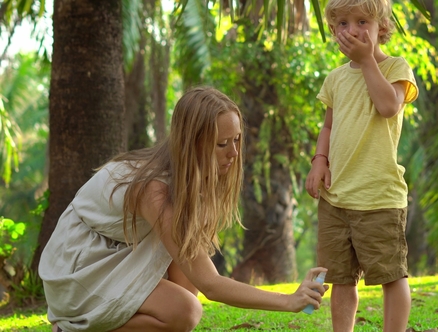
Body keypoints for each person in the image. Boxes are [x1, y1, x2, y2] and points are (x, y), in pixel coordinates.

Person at [39, 86, 328, 332]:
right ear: (192, 144)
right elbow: (212, 284)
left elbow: (195, 276)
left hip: (117, 251)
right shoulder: (155, 189)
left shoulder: (190, 181)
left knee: (186, 293)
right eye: (222, 144)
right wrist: (289, 301)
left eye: (237, 139)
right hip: (81, 264)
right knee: (186, 310)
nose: (234, 153)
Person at [304, 0, 419, 330]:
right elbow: (328, 126)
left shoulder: (396, 67)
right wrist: (319, 162)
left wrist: (368, 60)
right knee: (340, 278)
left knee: (391, 276)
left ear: (381, 27)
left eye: (361, 22)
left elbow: (388, 107)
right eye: (342, 24)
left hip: (379, 198)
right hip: (336, 197)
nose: (351, 30)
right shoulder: (335, 79)